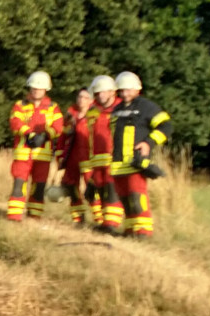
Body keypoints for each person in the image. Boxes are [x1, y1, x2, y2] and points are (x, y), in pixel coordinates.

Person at [108, 71, 170, 238]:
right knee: (125, 198)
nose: (125, 94)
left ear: (137, 89)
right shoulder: (117, 109)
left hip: (135, 161)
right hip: (118, 163)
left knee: (137, 197)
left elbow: (166, 126)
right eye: (121, 90)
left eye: (128, 90)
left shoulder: (147, 107)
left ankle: (143, 232)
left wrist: (148, 143)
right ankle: (130, 230)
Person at [6, 71, 62, 221]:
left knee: (39, 186)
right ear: (30, 88)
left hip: (43, 155)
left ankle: (34, 215)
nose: (37, 90)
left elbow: (58, 126)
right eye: (34, 88)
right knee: (19, 184)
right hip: (23, 153)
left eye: (40, 88)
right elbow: (15, 122)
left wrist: (45, 135)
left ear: (46, 89)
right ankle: (14, 216)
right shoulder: (20, 105)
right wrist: (28, 134)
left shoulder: (53, 107)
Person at [85, 75, 122, 231]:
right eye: (97, 92)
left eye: (104, 92)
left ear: (113, 92)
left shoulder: (121, 109)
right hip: (96, 159)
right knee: (101, 189)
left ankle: (112, 224)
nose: (100, 95)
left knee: (112, 189)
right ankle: (106, 222)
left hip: (114, 157)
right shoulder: (92, 111)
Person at [59, 87, 95, 224]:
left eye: (85, 97)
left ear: (91, 100)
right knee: (70, 186)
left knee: (91, 188)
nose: (81, 100)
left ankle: (99, 219)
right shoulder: (70, 116)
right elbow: (62, 136)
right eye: (80, 97)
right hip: (72, 157)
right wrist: (60, 155)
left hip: (88, 157)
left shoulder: (94, 115)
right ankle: (78, 218)